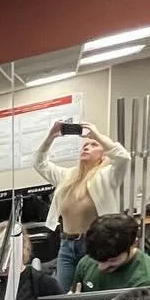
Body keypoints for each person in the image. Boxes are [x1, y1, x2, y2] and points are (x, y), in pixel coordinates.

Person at [34, 120, 130, 287]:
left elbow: (123, 156)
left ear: (104, 154)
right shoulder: (68, 177)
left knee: (92, 293)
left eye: (94, 145)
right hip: (66, 246)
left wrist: (96, 134)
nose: (86, 147)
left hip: (94, 246)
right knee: (63, 296)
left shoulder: (107, 176)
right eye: (85, 145)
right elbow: (39, 163)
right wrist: (51, 137)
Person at [71, 213, 150, 292]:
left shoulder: (148, 281)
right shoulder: (87, 262)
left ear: (133, 244)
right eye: (97, 260)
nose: (101, 267)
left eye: (112, 260)